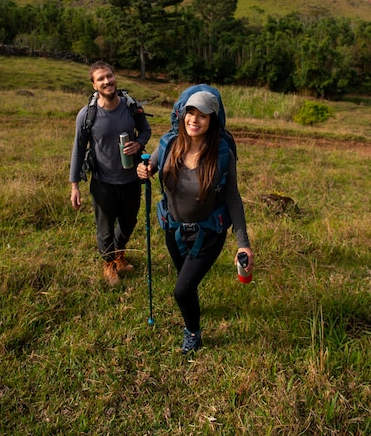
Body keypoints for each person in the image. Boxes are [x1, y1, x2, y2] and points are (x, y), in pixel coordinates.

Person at [137, 90, 253, 355]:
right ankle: (192, 302)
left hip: (208, 233)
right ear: (182, 114)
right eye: (191, 113)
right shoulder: (168, 143)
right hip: (174, 230)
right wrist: (142, 169)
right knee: (186, 283)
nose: (194, 120)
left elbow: (233, 197)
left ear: (213, 120)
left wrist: (243, 244)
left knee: (181, 291)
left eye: (203, 116)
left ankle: (193, 333)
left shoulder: (222, 154)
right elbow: (148, 168)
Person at [70, 61, 151, 285]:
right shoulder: (87, 115)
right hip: (102, 182)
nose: (107, 81)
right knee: (105, 228)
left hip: (131, 179)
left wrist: (139, 143)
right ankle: (109, 263)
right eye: (101, 79)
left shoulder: (131, 106)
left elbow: (145, 129)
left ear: (115, 77)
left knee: (128, 223)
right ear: (94, 85)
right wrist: (74, 185)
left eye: (109, 76)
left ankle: (118, 255)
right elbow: (78, 149)